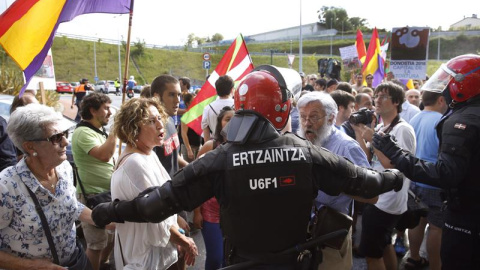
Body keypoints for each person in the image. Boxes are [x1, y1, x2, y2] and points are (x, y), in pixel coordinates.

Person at [92, 65, 404, 269]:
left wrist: (107, 211)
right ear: (281, 110)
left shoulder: (219, 159)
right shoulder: (304, 153)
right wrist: (395, 173)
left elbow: (152, 207)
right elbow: (367, 183)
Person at [372, 54, 480, 269]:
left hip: (466, 215)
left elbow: (446, 174)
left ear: (462, 84)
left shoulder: (463, 120)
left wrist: (395, 152)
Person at [0, 103, 113, 269]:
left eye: (65, 134)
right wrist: (32, 266)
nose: (66, 142)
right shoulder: (6, 187)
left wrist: (105, 218)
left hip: (77, 261)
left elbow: (70, 205)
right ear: (30, 146)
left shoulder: (64, 168)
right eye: (55, 138)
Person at [111, 98, 198, 269]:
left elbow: (162, 200)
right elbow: (155, 217)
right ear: (133, 129)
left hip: (160, 256)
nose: (160, 125)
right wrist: (185, 241)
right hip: (145, 260)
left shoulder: (148, 154)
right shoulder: (135, 163)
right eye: (151, 121)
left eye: (159, 118)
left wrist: (176, 221)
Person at [296, 91, 374, 270]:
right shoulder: (298, 141)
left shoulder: (347, 147)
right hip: (301, 234)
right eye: (302, 117)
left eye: (314, 117)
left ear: (331, 119)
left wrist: (333, 184)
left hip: (331, 234)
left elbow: (371, 193)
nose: (307, 122)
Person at [358, 82, 416, 270]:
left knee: (371, 255)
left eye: (383, 96)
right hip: (378, 195)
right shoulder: (383, 127)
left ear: (397, 102)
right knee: (384, 245)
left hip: (387, 200)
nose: (377, 100)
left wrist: (372, 139)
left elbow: (395, 165)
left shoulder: (402, 129)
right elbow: (366, 157)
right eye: (376, 96)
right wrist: (359, 132)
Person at [72, 92, 117, 270]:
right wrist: (115, 131)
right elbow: (105, 155)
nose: (109, 112)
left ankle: (103, 264)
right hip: (92, 195)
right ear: (92, 110)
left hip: (106, 193)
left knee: (110, 238)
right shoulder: (83, 132)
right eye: (105, 108)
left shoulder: (99, 131)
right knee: (96, 243)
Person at [404, 90, 448, 270]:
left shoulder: (414, 118)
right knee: (436, 228)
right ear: (441, 100)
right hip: (434, 181)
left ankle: (414, 257)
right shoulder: (442, 121)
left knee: (417, 221)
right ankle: (435, 266)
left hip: (414, 179)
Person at [193, 106, 234, 270]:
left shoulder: (244, 147)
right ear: (220, 123)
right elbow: (194, 179)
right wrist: (196, 212)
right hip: (211, 213)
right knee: (216, 258)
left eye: (235, 119)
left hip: (234, 214)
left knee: (229, 259)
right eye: (228, 119)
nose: (232, 123)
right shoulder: (210, 146)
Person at [201, 75, 234, 142]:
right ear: (232, 89)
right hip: (235, 145)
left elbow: (206, 135)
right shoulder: (238, 105)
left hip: (215, 146)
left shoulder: (208, 108)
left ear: (216, 90)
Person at [180, 93, 202, 163]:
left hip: (197, 146)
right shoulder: (186, 115)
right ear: (188, 103)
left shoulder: (197, 114)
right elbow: (184, 134)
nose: (196, 102)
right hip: (190, 147)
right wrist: (189, 149)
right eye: (194, 101)